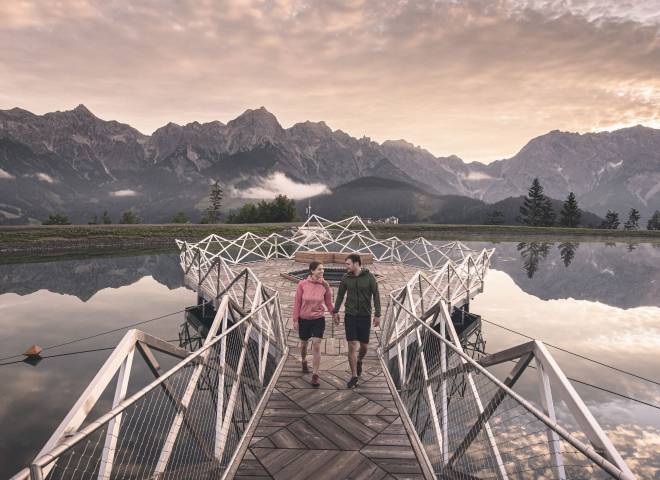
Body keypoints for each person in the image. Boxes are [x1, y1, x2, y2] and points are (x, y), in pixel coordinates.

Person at [332, 253, 381, 389]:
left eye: (348, 264)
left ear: (356, 263)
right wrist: (335, 311)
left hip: (365, 315)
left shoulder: (370, 278)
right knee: (352, 344)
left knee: (364, 346)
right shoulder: (346, 278)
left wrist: (378, 314)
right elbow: (340, 295)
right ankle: (354, 376)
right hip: (350, 315)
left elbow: (376, 296)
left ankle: (359, 360)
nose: (346, 266)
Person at [292, 261, 336, 387]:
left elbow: (328, 303)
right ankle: (304, 360)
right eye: (319, 269)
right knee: (304, 345)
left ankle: (315, 374)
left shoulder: (325, 286)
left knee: (316, 345)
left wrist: (334, 314)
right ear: (312, 271)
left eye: (323, 269)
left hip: (318, 319)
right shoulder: (302, 284)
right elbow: (297, 303)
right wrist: (295, 319)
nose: (322, 271)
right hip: (304, 319)